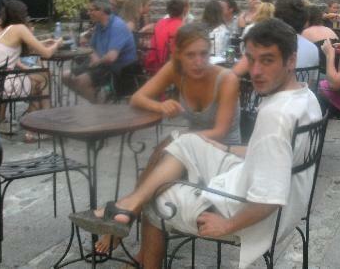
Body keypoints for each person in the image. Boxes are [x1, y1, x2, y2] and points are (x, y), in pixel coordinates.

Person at [69, 18, 322, 269]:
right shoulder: (305, 97)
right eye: (251, 59)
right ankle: (127, 207)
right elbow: (276, 156)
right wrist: (227, 149)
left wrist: (227, 225)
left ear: (291, 60)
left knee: (157, 197)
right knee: (184, 141)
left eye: (267, 60)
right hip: (280, 199)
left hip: (248, 210)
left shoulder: (275, 116)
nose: (255, 71)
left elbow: (269, 198)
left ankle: (130, 222)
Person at [93, 22, 243, 255]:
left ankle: (127, 218)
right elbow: (138, 98)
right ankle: (133, 226)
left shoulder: (226, 79)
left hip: (222, 156)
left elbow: (220, 132)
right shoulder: (175, 70)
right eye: (191, 55)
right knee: (160, 172)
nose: (199, 61)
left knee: (166, 149)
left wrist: (180, 140)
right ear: (178, 54)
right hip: (188, 151)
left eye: (204, 54)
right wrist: (160, 105)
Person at [0, 0, 61, 138]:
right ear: (21, 14)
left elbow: (12, 48)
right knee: (43, 77)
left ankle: (36, 125)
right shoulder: (19, 28)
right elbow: (47, 54)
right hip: (5, 85)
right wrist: (57, 44)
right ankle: (39, 127)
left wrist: (43, 42)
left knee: (39, 77)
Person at [63, 0, 137, 103]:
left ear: (102, 10)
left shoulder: (117, 26)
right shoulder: (99, 25)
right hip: (102, 63)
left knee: (81, 82)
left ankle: (101, 107)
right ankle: (99, 101)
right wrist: (93, 56)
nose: (88, 13)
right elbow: (91, 47)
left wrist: (97, 61)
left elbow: (111, 57)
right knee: (66, 76)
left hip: (119, 68)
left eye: (91, 10)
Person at [144, 0, 186, 74]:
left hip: (153, 64)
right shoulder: (182, 27)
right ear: (183, 11)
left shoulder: (160, 22)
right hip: (171, 66)